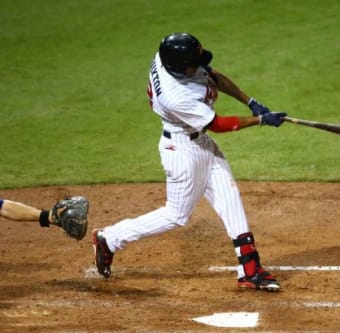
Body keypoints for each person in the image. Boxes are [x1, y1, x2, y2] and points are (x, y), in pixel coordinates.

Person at [92, 32, 287, 292]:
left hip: (200, 142)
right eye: (193, 63)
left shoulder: (169, 58)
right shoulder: (176, 97)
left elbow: (212, 75)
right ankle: (110, 238)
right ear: (180, 68)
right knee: (176, 215)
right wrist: (261, 120)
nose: (199, 65)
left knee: (230, 198)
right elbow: (217, 125)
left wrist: (251, 102)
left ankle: (250, 270)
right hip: (182, 150)